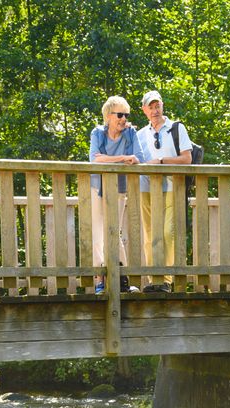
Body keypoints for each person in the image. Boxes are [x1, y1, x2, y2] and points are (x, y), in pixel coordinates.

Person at [137, 90, 192, 292]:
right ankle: (154, 281)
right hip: (146, 188)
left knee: (167, 233)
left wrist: (161, 162)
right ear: (144, 110)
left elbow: (187, 159)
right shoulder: (140, 134)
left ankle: (166, 280)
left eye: (157, 105)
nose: (154, 110)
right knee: (150, 235)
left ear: (162, 106)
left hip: (171, 186)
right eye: (150, 107)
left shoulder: (176, 128)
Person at [89, 95, 145, 293]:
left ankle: (122, 279)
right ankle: (99, 281)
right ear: (108, 116)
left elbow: (139, 158)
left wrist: (115, 159)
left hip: (119, 188)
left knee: (115, 232)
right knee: (98, 234)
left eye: (126, 115)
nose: (123, 119)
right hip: (97, 187)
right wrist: (122, 158)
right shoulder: (98, 133)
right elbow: (95, 159)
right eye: (120, 114)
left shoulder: (130, 133)